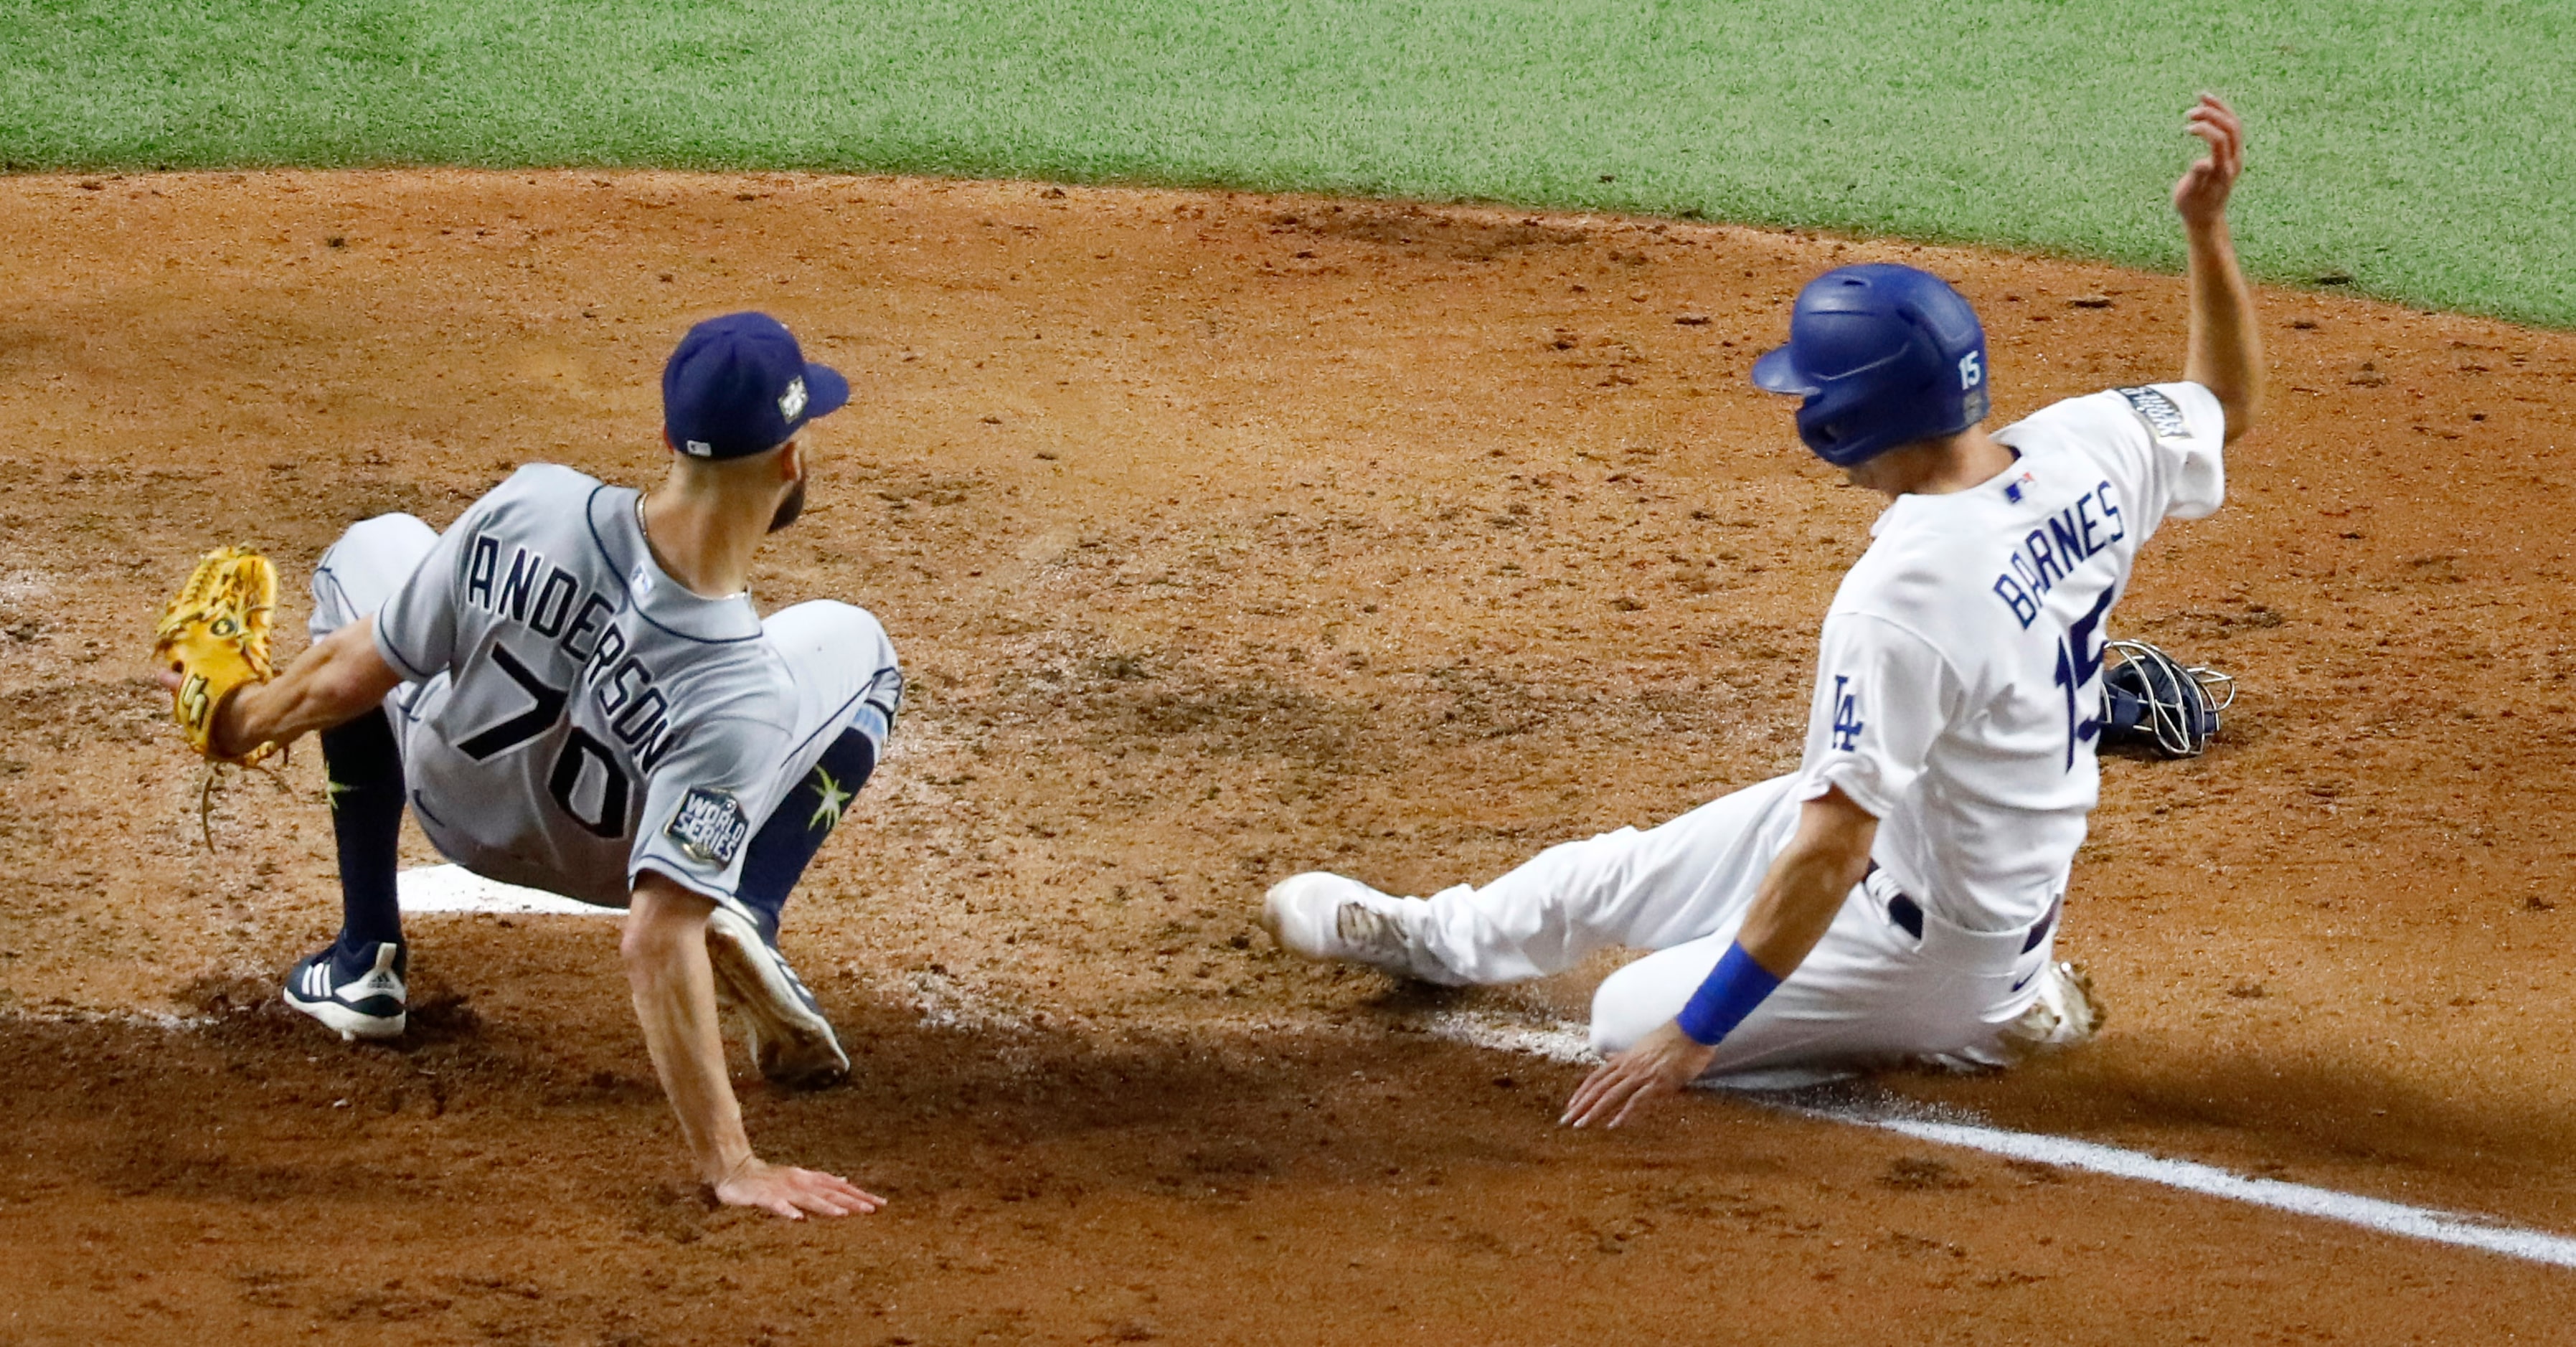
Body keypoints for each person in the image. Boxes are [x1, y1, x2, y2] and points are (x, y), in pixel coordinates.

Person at [1263, 95, 2261, 1128]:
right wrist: (2205, 231)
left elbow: (1831, 847)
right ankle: (1429, 938)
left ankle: (1992, 1026)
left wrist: (1690, 1036)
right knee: (1618, 871)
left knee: (1625, 1019)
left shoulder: (1903, 596)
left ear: (1849, 417)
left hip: (1944, 945)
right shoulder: (2081, 445)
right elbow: (2220, 408)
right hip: (1929, 841)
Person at [169, 313, 904, 1216]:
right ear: (789, 461)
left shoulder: (532, 505)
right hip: (624, 864)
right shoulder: (741, 696)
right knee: (862, 650)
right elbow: (655, 938)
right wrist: (732, 1166)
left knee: (372, 549)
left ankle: (366, 956)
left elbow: (359, 671)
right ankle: (743, 904)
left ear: (670, 440)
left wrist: (241, 719)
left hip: (449, 796)